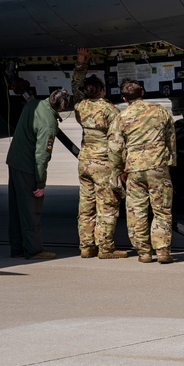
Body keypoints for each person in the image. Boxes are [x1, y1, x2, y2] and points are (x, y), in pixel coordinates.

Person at [108, 79, 177, 264]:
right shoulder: (160, 111)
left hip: (134, 170)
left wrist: (118, 171)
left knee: (136, 211)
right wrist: (169, 161)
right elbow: (171, 137)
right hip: (158, 167)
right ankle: (162, 251)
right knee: (162, 211)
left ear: (124, 98)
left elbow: (114, 148)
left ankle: (144, 252)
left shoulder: (121, 117)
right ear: (143, 93)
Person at [71, 49, 127, 259]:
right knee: (107, 206)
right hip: (103, 164)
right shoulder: (110, 111)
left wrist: (81, 61)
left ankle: (86, 247)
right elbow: (116, 142)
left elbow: (75, 85)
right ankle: (105, 248)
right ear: (102, 90)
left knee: (86, 206)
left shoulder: (80, 106)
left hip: (85, 163)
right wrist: (119, 168)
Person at [6, 87, 73, 260]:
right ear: (62, 107)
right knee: (31, 211)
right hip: (28, 168)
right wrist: (40, 184)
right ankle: (34, 251)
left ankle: (17, 249)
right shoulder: (49, 124)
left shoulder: (34, 104)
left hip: (14, 161)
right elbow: (41, 157)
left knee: (16, 210)